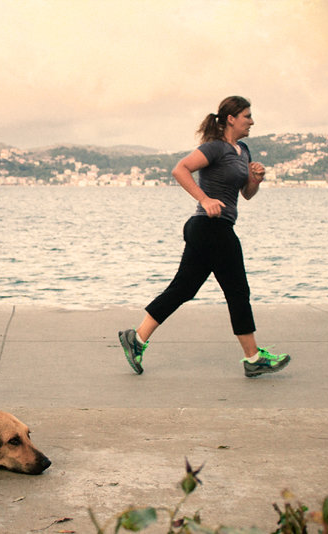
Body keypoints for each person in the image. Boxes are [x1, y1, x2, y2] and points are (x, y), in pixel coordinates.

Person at [118, 96, 290, 378]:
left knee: (183, 289)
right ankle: (253, 358)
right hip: (211, 227)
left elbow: (245, 195)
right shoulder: (215, 148)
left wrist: (255, 180)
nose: (252, 121)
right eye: (247, 115)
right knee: (237, 291)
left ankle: (136, 339)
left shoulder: (243, 150)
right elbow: (180, 169)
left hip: (211, 229)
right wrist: (205, 198)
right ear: (231, 118)